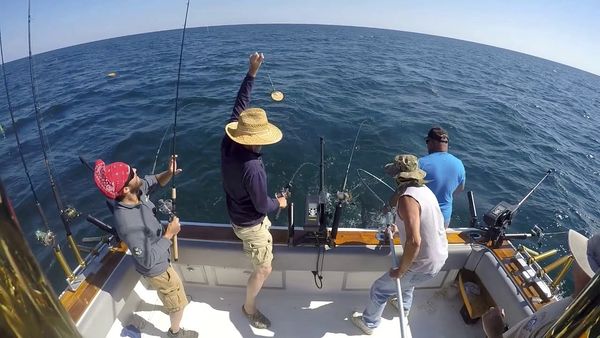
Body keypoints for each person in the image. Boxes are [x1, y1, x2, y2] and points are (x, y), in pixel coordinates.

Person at [93, 156, 197, 338]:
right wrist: (169, 235)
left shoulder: (135, 189)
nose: (135, 169)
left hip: (160, 253)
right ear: (125, 189)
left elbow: (154, 181)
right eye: (131, 173)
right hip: (156, 267)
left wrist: (169, 173)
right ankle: (175, 331)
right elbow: (147, 261)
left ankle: (171, 301)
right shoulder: (128, 224)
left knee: (171, 293)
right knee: (177, 302)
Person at [220, 52, 287, 329]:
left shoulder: (228, 141)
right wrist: (279, 203)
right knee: (264, 268)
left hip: (235, 213)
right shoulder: (253, 168)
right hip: (250, 224)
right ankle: (249, 308)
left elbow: (240, 105)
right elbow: (262, 206)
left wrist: (252, 72)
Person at [350, 154, 448, 335]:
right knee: (408, 282)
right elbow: (424, 222)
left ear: (399, 177)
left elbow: (414, 241)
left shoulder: (406, 199)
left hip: (423, 264)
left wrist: (401, 270)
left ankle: (369, 324)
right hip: (438, 258)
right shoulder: (425, 191)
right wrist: (398, 226)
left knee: (380, 289)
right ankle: (403, 306)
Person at [482, 230, 599, 338]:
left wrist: (494, 332)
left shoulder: (568, 325)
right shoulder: (578, 305)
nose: (574, 258)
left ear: (588, 274)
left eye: (580, 257)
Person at [418, 127, 465, 227]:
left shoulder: (421, 163)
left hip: (423, 216)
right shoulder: (459, 164)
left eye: (427, 141)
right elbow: (460, 189)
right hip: (444, 218)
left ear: (431, 142)